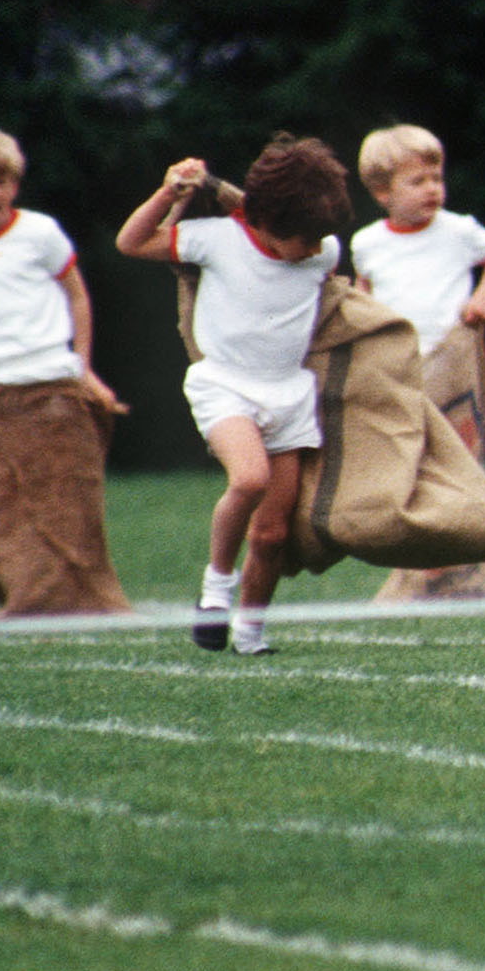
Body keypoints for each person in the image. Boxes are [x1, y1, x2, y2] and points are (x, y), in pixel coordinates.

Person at [116, 135, 354, 654]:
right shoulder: (218, 239)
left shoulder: (320, 249)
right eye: (307, 240)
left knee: (271, 535)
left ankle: (250, 633)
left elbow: (301, 243)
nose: (316, 250)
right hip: (224, 386)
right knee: (249, 478)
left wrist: (222, 189)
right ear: (270, 223)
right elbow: (131, 243)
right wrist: (169, 193)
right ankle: (215, 590)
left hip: (288, 396)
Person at [0, 124, 127, 615]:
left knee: (65, 508)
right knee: (0, 511)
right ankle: (28, 596)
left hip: (47, 385)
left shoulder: (39, 233)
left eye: (1, 181)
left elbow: (75, 294)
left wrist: (83, 368)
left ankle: (76, 603)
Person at [350, 125, 485, 362]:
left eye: (436, 178)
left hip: (452, 356)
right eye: (418, 182)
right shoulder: (367, 242)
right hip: (393, 360)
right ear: (383, 192)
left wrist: (482, 299)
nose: (432, 189)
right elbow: (363, 287)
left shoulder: (458, 230)